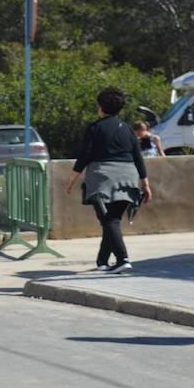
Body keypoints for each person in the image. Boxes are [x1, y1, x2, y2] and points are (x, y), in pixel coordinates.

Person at [66, 87, 153, 273]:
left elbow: (85, 155)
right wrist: (145, 183)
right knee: (112, 219)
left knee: (108, 220)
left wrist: (72, 178)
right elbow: (137, 156)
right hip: (128, 178)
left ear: (100, 107)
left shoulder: (94, 127)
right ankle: (102, 262)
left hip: (102, 178)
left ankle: (122, 259)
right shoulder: (128, 129)